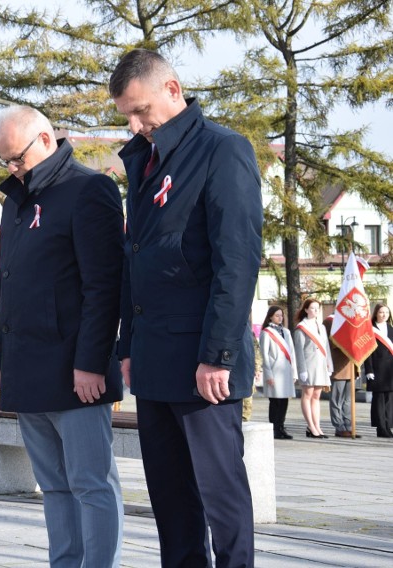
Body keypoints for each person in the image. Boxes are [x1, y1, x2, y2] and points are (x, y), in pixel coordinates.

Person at [110, 49, 263, 567]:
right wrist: (128, 346)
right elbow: (137, 262)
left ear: (172, 90)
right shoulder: (145, 160)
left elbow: (237, 262)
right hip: (153, 359)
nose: (135, 125)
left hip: (204, 364)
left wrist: (218, 354)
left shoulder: (222, 151)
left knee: (221, 502)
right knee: (171, 507)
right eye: (127, 116)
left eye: (141, 111)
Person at [0, 105, 125, 567]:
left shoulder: (89, 189)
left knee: (91, 483)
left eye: (16, 158)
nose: (11, 168)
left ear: (45, 140)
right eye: (4, 161)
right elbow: (6, 283)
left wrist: (91, 361)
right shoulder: (15, 200)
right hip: (28, 367)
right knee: (53, 486)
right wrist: (3, 359)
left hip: (76, 372)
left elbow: (104, 286)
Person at [293, 298, 333, 438]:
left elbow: (326, 347)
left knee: (317, 396)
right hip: (308, 365)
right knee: (308, 395)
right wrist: (302, 369)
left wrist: (329, 365)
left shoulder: (321, 326)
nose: (316, 311)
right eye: (313, 308)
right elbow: (299, 350)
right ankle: (310, 426)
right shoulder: (301, 327)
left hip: (320, 365)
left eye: (318, 308)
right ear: (306, 310)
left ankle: (317, 426)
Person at [259, 305, 298, 439]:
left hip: (285, 370)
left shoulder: (286, 332)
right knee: (275, 401)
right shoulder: (266, 332)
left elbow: (291, 353)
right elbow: (264, 354)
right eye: (277, 315)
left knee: (284, 401)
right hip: (274, 371)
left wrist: (294, 372)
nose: (280, 318)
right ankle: (274, 428)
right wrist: (268, 374)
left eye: (281, 315)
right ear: (270, 316)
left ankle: (281, 426)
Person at [323, 314, 361, 438]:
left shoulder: (352, 321)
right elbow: (331, 342)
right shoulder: (330, 321)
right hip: (338, 365)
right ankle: (339, 426)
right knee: (337, 399)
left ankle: (349, 426)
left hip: (350, 365)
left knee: (348, 400)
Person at [365, 304, 393, 438]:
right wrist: (369, 369)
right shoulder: (370, 329)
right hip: (376, 369)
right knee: (379, 400)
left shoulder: (391, 329)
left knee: (389, 400)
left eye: (386, 312)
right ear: (376, 313)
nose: (384, 314)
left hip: (390, 370)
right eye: (381, 312)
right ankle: (381, 428)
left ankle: (388, 426)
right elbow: (367, 352)